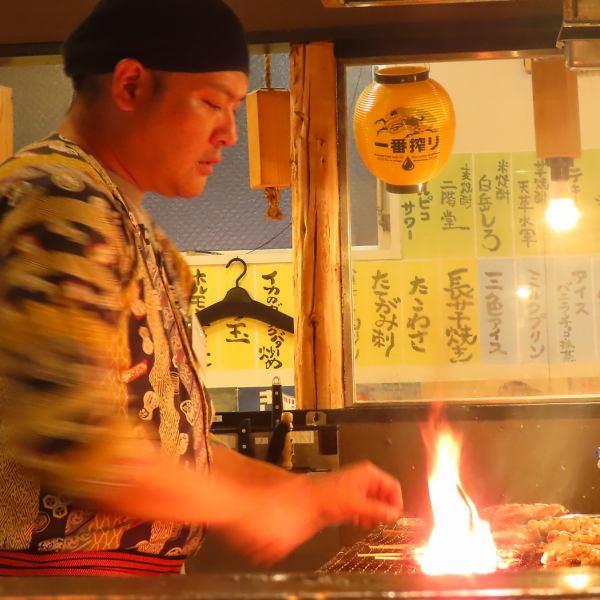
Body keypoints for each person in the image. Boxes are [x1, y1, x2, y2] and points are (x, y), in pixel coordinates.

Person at [0, 0, 403, 576]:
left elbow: (169, 448)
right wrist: (248, 507)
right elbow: (74, 443)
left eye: (235, 108)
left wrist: (300, 494)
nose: (230, 134)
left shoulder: (139, 232)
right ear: (131, 85)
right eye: (212, 103)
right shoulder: (55, 200)